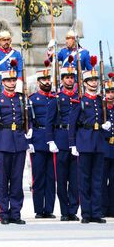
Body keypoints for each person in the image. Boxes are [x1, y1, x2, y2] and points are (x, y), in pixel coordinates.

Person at [0, 67, 29, 225]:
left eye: (13, 80)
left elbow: (26, 119)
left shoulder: (21, 99)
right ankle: (4, 213)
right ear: (3, 82)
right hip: (3, 142)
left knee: (17, 180)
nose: (11, 83)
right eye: (8, 80)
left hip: (19, 141)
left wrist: (28, 134)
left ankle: (16, 212)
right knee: (3, 181)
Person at [69, 68, 110, 224]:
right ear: (85, 83)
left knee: (97, 180)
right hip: (84, 142)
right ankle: (86, 213)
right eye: (91, 80)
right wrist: (72, 144)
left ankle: (96, 212)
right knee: (84, 180)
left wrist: (105, 126)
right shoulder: (79, 101)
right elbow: (72, 124)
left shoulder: (101, 101)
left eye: (96, 80)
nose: (94, 83)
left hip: (99, 143)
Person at [46, 66, 80, 221]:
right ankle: (64, 211)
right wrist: (51, 140)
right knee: (61, 178)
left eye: (72, 77)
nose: (70, 80)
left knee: (75, 179)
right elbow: (49, 121)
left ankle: (73, 210)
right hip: (60, 139)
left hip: (77, 141)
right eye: (67, 77)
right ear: (62, 80)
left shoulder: (79, 97)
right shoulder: (56, 98)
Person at [28, 68, 56, 219]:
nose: (47, 82)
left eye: (48, 79)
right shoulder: (33, 99)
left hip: (53, 141)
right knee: (38, 177)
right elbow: (29, 122)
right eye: (44, 80)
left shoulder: (54, 99)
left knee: (51, 178)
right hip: (38, 139)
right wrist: (29, 142)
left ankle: (49, 209)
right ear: (38, 82)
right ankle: (39, 209)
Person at [101, 76, 114, 217]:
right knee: (102, 179)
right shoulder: (100, 108)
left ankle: (112, 208)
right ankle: (103, 208)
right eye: (108, 92)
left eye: (112, 92)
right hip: (104, 146)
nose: (110, 94)